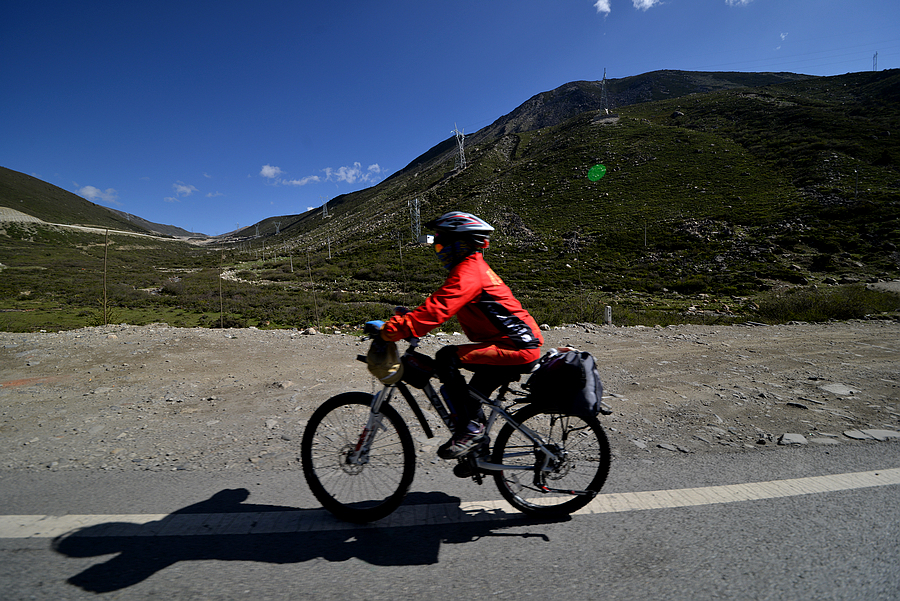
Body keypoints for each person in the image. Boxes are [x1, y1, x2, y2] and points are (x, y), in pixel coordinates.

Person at [375, 211, 544, 459]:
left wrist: (391, 331)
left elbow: (437, 311)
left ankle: (471, 431)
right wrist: (408, 319)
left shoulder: (469, 272)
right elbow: (438, 305)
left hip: (517, 347)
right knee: (470, 398)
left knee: (447, 357)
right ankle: (478, 452)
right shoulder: (472, 269)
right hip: (512, 343)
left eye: (442, 243)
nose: (439, 250)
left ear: (460, 243)